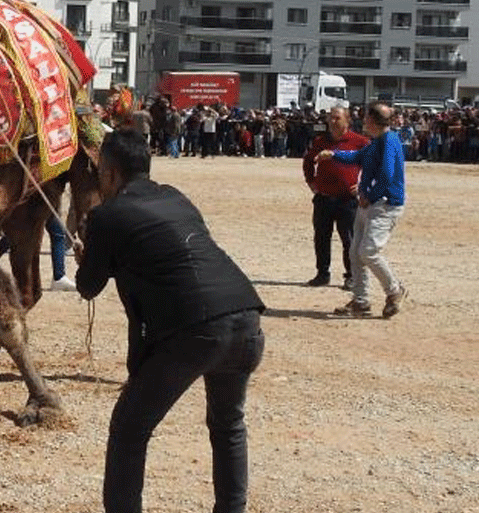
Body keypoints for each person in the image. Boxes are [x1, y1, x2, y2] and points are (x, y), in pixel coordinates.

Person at [76, 130, 265, 513]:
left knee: (130, 429)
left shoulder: (106, 216)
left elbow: (88, 287)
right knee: (228, 425)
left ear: (110, 174)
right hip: (246, 317)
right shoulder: (176, 196)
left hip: (196, 331)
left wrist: (89, 254)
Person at [317, 101, 408, 318]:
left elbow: (387, 174)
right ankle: (361, 300)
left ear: (373, 121)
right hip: (369, 203)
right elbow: (359, 157)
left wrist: (371, 195)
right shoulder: (378, 142)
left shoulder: (389, 141)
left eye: (366, 117)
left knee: (368, 252)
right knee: (356, 253)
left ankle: (395, 290)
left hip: (384, 204)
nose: (362, 121)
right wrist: (335, 155)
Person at [302, 106, 369, 288]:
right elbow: (308, 160)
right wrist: (311, 180)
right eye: (330, 118)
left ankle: (351, 276)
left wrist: (364, 185)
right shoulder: (320, 141)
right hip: (324, 198)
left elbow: (374, 165)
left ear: (347, 121)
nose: (332, 121)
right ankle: (322, 274)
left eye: (337, 118)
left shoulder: (359, 142)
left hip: (347, 200)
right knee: (321, 237)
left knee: (349, 240)